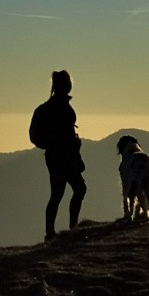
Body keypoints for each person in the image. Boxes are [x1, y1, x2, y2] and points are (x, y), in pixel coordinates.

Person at [34, 69, 86, 240]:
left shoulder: (49, 107)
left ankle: (53, 232)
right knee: (76, 189)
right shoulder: (60, 107)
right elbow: (66, 133)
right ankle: (72, 227)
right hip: (64, 155)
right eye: (69, 82)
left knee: (58, 193)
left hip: (56, 156)